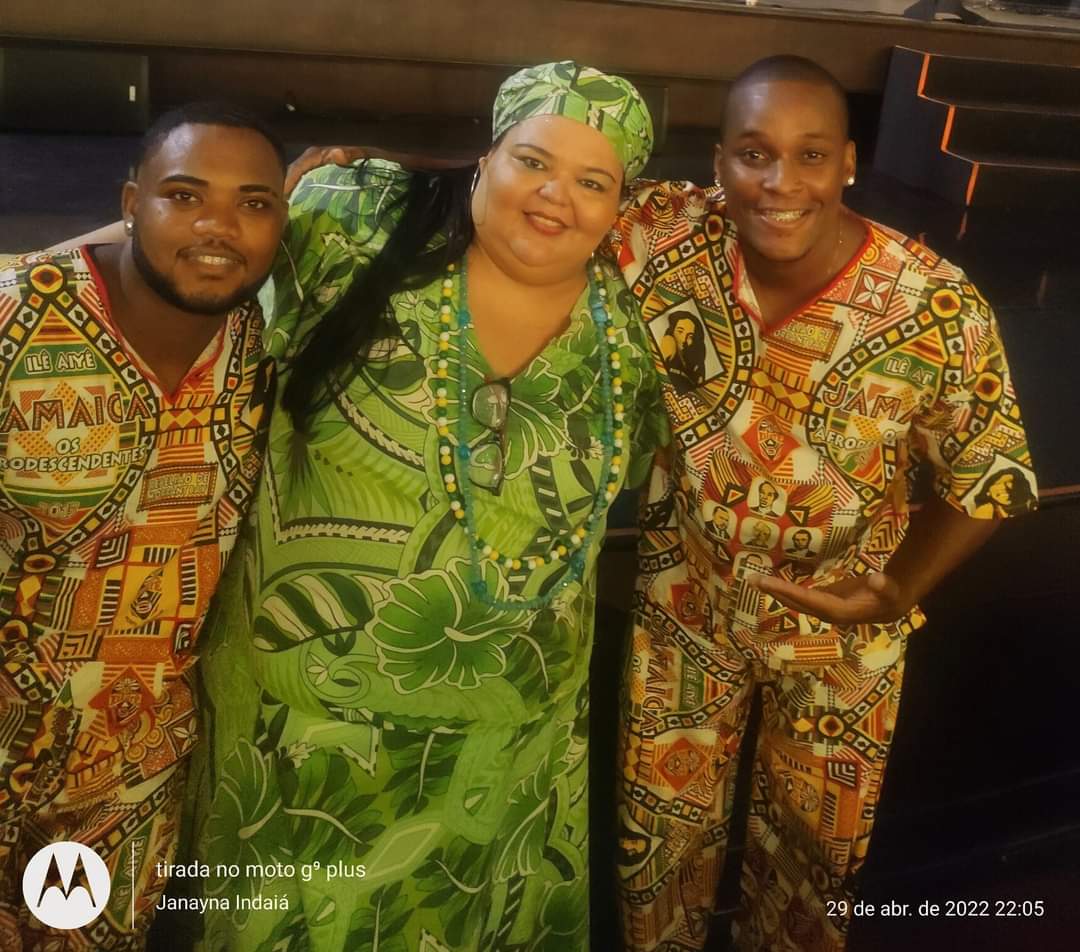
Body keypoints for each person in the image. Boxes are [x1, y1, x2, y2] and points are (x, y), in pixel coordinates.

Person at [191, 62, 664, 951]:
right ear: (484, 159)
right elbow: (185, 250)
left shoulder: (638, 324)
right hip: (305, 733)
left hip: (501, 758)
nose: (555, 196)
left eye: (592, 181)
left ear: (621, 207)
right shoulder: (353, 226)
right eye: (533, 161)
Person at [608, 56, 1036, 952]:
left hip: (840, 632)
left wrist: (895, 590)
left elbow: (992, 476)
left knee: (814, 864)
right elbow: (539, 180)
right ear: (718, 163)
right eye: (753, 154)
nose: (780, 182)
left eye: (809, 155)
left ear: (847, 163)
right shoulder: (664, 234)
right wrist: (361, 167)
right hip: (686, 604)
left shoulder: (934, 305)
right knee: (657, 847)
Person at [0, 103, 287, 950]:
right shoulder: (17, 319)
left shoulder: (262, 344)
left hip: (125, 776)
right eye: (184, 196)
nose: (218, 227)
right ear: (131, 203)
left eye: (253, 203)